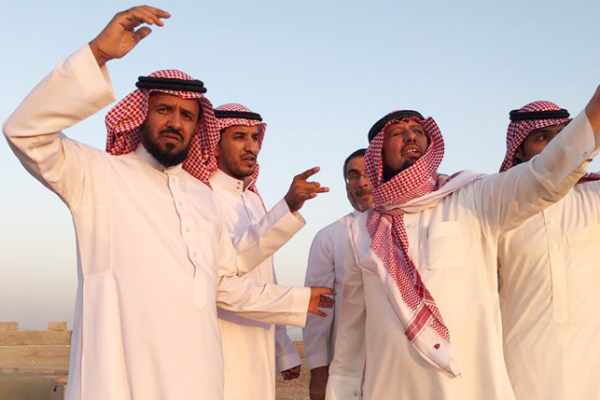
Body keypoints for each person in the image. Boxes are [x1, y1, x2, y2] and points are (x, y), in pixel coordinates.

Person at [2, 7, 333, 400]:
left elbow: (223, 283)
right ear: (141, 114)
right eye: (164, 110)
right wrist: (98, 54)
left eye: (187, 116)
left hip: (202, 379)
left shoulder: (201, 196)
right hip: (122, 380)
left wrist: (298, 299)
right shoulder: (98, 175)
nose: (176, 122)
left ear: (198, 127)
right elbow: (25, 132)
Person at [325, 102, 600, 400]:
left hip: (468, 386)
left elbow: (542, 175)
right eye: (397, 133)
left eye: (418, 130)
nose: (411, 136)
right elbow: (351, 331)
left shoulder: (472, 197)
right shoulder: (360, 231)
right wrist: (340, 391)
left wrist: (595, 111)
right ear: (377, 153)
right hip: (391, 387)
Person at [210, 103, 328, 400]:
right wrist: (286, 206)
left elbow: (265, 274)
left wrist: (283, 349)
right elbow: (224, 274)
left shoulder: (252, 200)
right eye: (239, 137)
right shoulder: (202, 195)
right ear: (214, 143)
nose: (251, 147)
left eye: (255, 138)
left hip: (259, 344)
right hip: (222, 340)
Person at [497, 100, 600, 400]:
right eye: (543, 138)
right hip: (518, 374)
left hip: (590, 375)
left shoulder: (594, 197)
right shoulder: (499, 209)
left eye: (562, 136)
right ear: (518, 150)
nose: (557, 146)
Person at [303, 148, 372, 400]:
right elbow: (319, 308)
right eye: (353, 176)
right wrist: (318, 371)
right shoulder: (330, 236)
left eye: (369, 173)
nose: (361, 183)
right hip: (349, 368)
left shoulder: (409, 226)